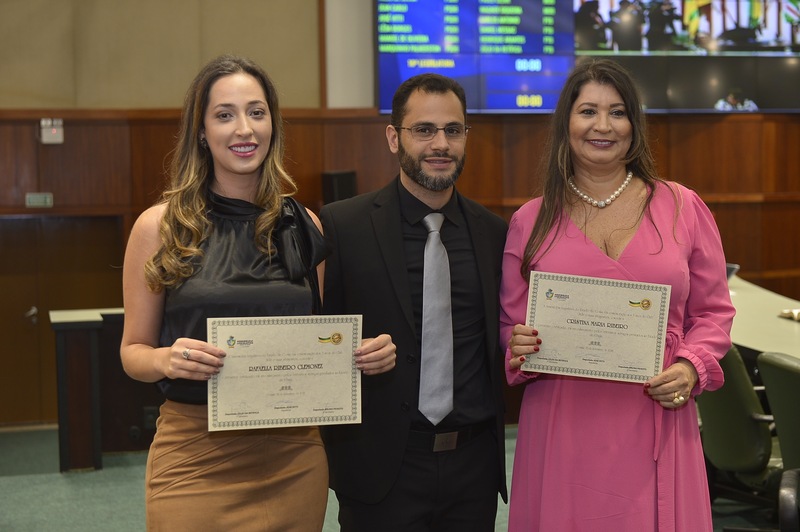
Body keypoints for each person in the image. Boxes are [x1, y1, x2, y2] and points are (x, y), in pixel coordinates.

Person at [120, 54, 395, 530]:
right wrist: (166, 359)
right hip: (195, 454)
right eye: (225, 115)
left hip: (294, 454)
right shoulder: (160, 227)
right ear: (202, 132)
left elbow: (316, 339)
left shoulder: (305, 225)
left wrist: (361, 355)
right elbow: (132, 352)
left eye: (256, 112)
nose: (244, 129)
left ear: (272, 125)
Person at [500, 59, 735, 531]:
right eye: (588, 111)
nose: (603, 126)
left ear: (635, 125)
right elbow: (510, 324)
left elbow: (713, 313)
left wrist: (690, 367)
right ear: (566, 123)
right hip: (562, 421)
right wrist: (517, 344)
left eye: (618, 112)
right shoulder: (530, 220)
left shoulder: (682, 207)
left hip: (658, 411)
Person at [319, 73, 509, 531]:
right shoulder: (343, 226)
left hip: (473, 468)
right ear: (393, 137)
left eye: (453, 130)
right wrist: (350, 354)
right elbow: (316, 338)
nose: (440, 144)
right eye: (424, 130)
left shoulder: (495, 234)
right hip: (381, 469)